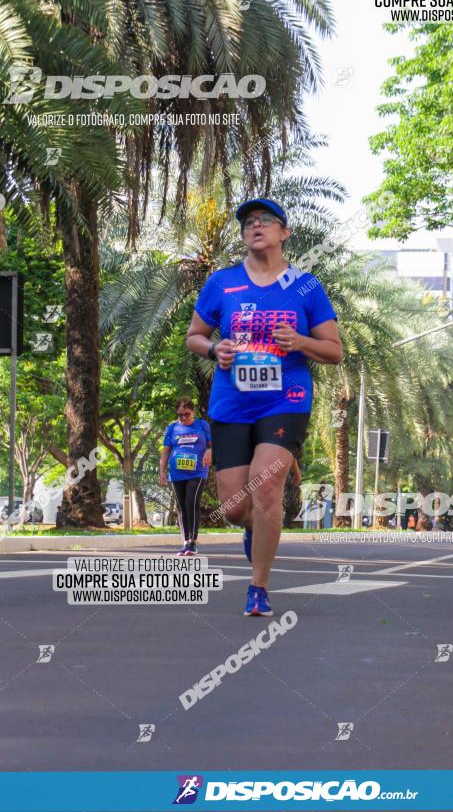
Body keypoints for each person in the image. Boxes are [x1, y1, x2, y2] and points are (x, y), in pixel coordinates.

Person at [185, 198, 343, 615]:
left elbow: (335, 351)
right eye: (248, 223)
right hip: (230, 404)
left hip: (285, 400)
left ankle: (259, 588)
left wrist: (301, 342)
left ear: (284, 232)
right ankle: (257, 529)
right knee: (237, 506)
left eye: (265, 221)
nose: (255, 226)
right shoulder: (222, 283)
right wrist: (214, 347)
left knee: (266, 487)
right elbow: (194, 336)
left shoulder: (305, 287)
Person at [159, 397, 212, 555]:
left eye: (186, 414)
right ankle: (185, 542)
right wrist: (162, 471)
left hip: (198, 472)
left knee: (191, 502)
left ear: (193, 412)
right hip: (177, 474)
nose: (183, 418)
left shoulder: (202, 425)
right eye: (180, 414)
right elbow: (166, 451)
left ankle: (192, 542)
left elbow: (212, 445)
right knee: (182, 507)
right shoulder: (172, 428)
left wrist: (209, 451)